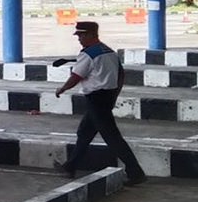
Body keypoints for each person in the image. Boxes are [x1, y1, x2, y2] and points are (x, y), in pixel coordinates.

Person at [54, 20, 147, 186]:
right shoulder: (109, 51)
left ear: (91, 34)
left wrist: (62, 89)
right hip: (108, 96)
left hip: (96, 98)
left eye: (82, 35)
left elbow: (76, 76)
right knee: (84, 132)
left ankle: (136, 172)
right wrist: (115, 95)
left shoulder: (88, 54)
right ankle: (70, 166)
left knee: (112, 137)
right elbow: (121, 75)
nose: (79, 38)